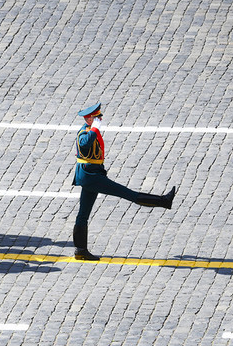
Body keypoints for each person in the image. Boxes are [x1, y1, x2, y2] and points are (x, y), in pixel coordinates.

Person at [71, 102, 175, 260]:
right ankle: (164, 201)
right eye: (97, 117)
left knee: (83, 214)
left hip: (92, 174)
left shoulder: (90, 130)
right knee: (128, 194)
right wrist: (95, 128)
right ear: (90, 119)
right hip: (91, 176)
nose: (100, 118)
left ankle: (80, 251)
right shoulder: (85, 132)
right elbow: (85, 145)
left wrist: (95, 128)